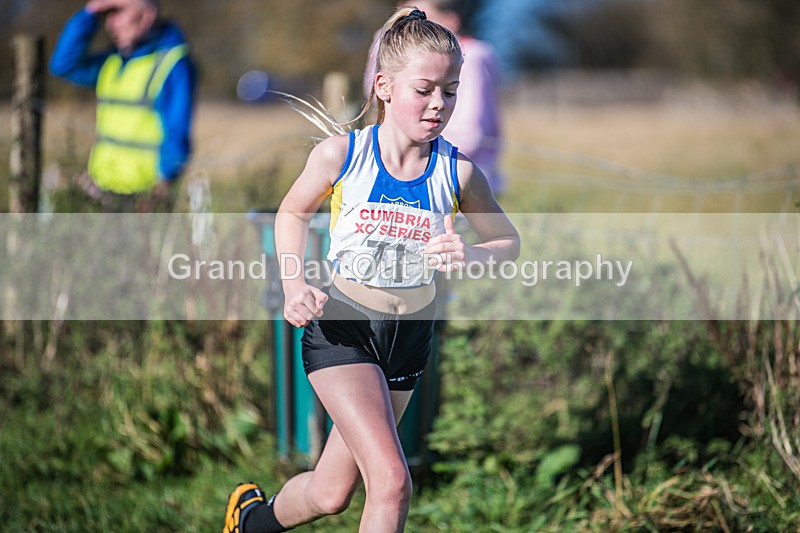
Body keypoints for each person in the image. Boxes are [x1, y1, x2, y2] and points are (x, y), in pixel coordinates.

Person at [222, 7, 519, 533]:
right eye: (424, 89)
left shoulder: (459, 172)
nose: (439, 104)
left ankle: (251, 523)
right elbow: (291, 213)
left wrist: (472, 255)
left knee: (331, 492)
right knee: (392, 483)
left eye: (450, 91)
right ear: (383, 85)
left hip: (409, 338)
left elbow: (507, 242)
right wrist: (294, 282)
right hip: (344, 328)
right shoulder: (344, 155)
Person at [50, 0, 195, 211]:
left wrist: (163, 185)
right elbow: (63, 64)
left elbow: (176, 130)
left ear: (147, 15)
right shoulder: (111, 62)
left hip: (144, 196)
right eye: (107, 15)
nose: (110, 24)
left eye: (118, 12)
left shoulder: (172, 64)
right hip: (100, 188)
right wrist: (90, 13)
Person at [364, 0, 505, 196]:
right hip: (400, 173)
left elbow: (470, 132)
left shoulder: (473, 56)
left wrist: (426, 166)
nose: (439, 102)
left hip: (458, 187)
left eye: (423, 25)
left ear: (450, 21)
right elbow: (375, 97)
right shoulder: (349, 157)